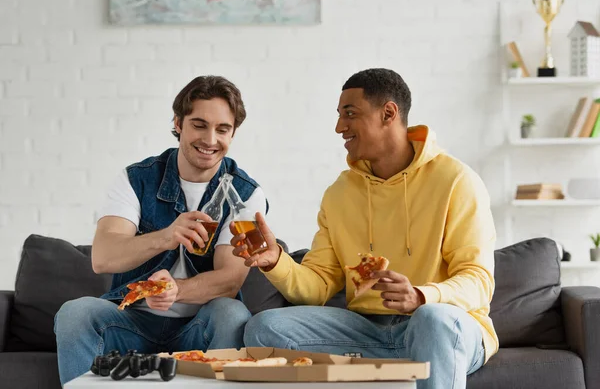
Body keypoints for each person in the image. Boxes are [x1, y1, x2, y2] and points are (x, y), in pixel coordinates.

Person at [232, 68, 498, 389]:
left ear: (388, 113)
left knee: (433, 320)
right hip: (367, 330)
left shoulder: (456, 181)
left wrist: (421, 295)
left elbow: (478, 280)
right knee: (264, 327)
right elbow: (317, 287)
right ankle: (405, 361)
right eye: (339, 115)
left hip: (443, 327)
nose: (339, 127)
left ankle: (422, 352)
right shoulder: (339, 193)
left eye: (350, 114)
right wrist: (276, 261)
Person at [54, 76, 268, 384]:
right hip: (131, 321)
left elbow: (229, 281)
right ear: (178, 124)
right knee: (76, 313)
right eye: (199, 124)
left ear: (233, 134)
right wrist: (165, 236)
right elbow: (103, 258)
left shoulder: (246, 194)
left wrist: (174, 290)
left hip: (199, 324)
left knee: (231, 313)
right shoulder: (136, 179)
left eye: (222, 129)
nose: (210, 139)